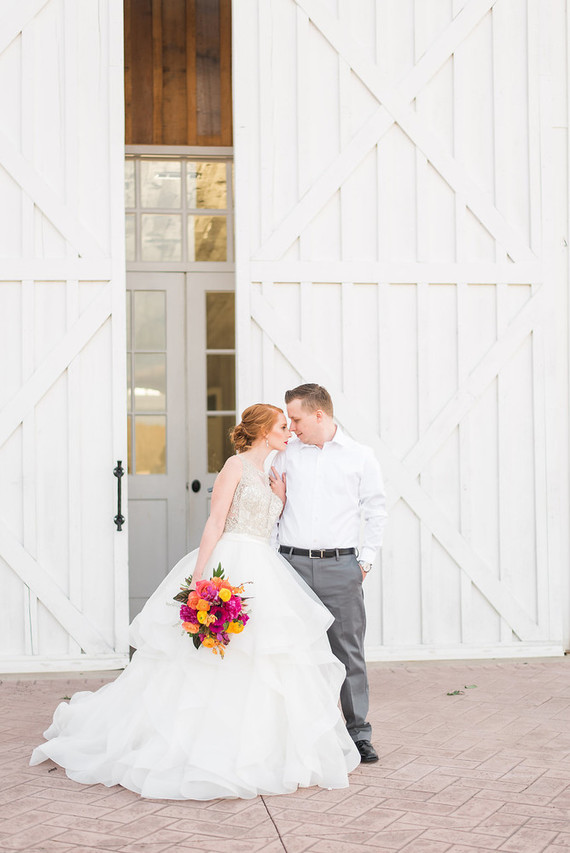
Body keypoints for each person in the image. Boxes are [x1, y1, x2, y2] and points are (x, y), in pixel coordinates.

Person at [30, 404, 359, 800]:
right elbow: (216, 521)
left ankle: (257, 745)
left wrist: (280, 499)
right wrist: (200, 575)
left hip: (263, 568)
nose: (289, 433)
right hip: (230, 561)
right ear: (262, 431)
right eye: (282, 427)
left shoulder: (268, 475)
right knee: (212, 654)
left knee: (264, 655)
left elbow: (265, 524)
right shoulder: (235, 466)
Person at [270, 384, 387, 764]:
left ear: (318, 414)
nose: (291, 427)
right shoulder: (285, 455)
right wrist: (272, 557)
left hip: (341, 567)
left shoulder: (360, 457)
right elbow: (274, 507)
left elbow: (376, 510)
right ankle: (303, 736)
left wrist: (365, 562)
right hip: (291, 566)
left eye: (296, 419)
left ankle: (358, 734)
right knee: (292, 652)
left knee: (348, 652)